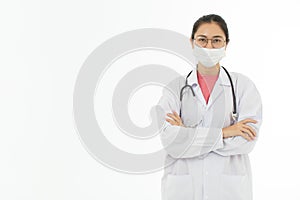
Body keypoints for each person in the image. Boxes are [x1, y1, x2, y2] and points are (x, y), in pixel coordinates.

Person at [157, 14, 263, 200]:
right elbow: (171, 141)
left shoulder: (243, 86)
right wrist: (226, 132)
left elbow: (246, 141)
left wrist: (188, 135)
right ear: (192, 42)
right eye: (202, 40)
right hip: (183, 190)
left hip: (228, 190)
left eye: (216, 40)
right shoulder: (175, 88)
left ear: (226, 44)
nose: (209, 47)